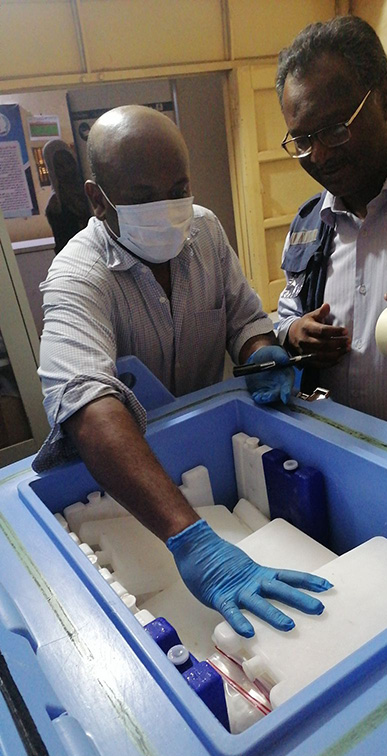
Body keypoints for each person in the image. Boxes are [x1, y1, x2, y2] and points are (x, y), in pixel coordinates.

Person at [33, 105, 331, 637]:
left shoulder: (206, 232)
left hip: (208, 452)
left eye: (179, 187)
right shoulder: (78, 275)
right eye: (145, 196)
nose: (169, 209)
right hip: (129, 477)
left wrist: (260, 350)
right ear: (99, 200)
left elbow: (245, 319)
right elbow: (85, 404)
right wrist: (190, 540)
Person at [276, 15, 387, 445]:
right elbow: (286, 308)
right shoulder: (306, 225)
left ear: (386, 99)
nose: (317, 156)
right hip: (338, 461)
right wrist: (293, 332)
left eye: (334, 130)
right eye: (301, 140)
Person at [43, 139, 91, 253]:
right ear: (53, 170)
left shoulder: (90, 189)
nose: (67, 169)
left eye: (69, 162)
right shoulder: (55, 206)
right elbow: (62, 245)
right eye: (60, 166)